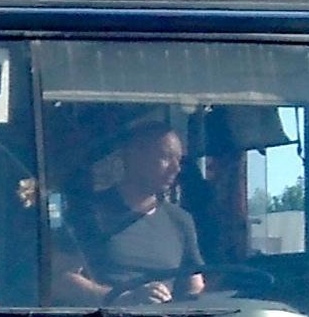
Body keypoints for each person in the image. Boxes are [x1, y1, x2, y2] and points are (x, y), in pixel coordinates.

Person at [59, 122, 204, 305]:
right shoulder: (87, 213)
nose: (176, 168)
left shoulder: (181, 220)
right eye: (166, 157)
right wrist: (122, 298)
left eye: (179, 159)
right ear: (135, 156)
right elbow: (60, 281)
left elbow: (194, 285)